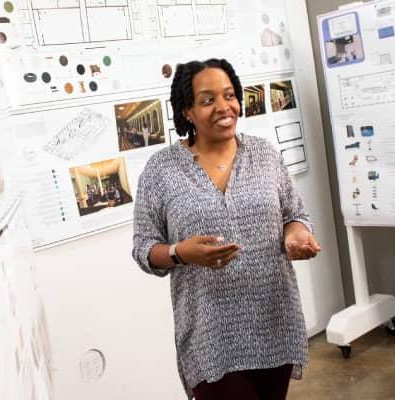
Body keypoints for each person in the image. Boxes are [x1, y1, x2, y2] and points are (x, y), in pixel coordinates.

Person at [132, 58, 321, 400]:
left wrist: (295, 236)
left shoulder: (264, 154)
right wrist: (179, 253)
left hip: (273, 319)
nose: (224, 107)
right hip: (211, 335)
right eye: (207, 100)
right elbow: (144, 249)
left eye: (229, 95)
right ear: (187, 110)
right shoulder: (162, 171)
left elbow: (295, 214)